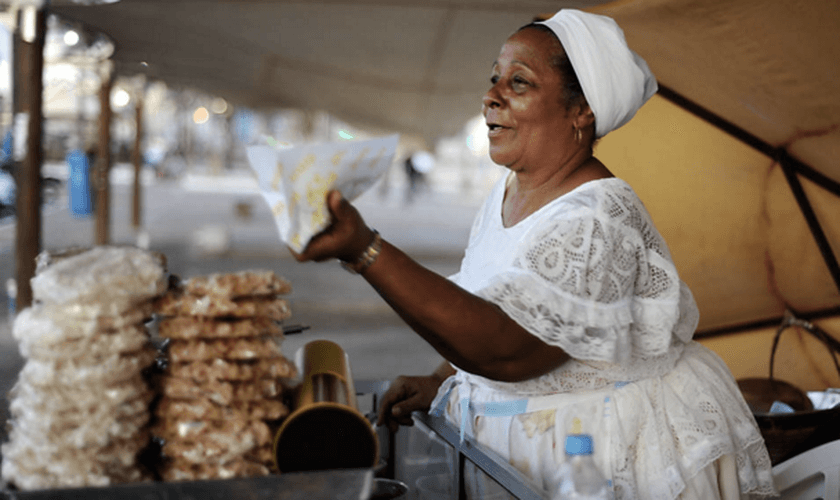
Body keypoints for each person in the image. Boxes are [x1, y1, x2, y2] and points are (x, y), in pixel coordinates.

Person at [294, 9, 777, 500]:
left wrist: (366, 249)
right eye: (494, 79)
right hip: (529, 461)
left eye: (519, 83)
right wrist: (441, 378)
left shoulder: (599, 217)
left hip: (599, 461)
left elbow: (509, 347)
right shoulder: (505, 195)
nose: (491, 96)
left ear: (581, 109)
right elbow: (500, 305)